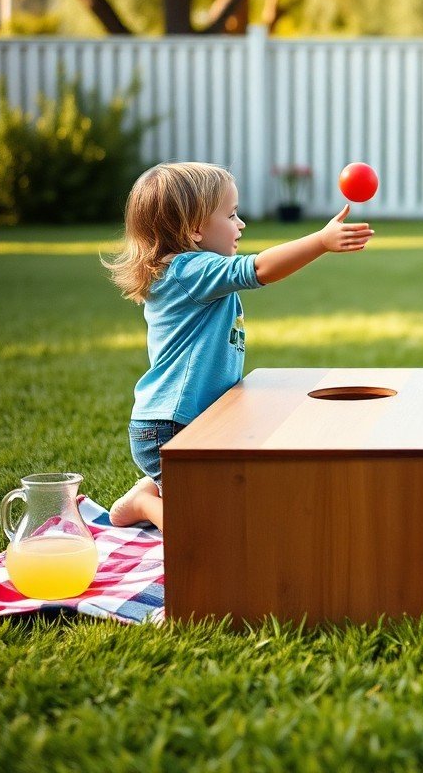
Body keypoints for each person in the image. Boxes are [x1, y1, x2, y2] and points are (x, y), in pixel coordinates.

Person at [103, 161, 373, 531]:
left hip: (191, 422)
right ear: (195, 229)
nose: (241, 224)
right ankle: (145, 502)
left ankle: (161, 487)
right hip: (173, 427)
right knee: (206, 533)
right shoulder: (189, 271)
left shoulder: (187, 271)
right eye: (231, 215)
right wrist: (321, 242)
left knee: (238, 506)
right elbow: (259, 270)